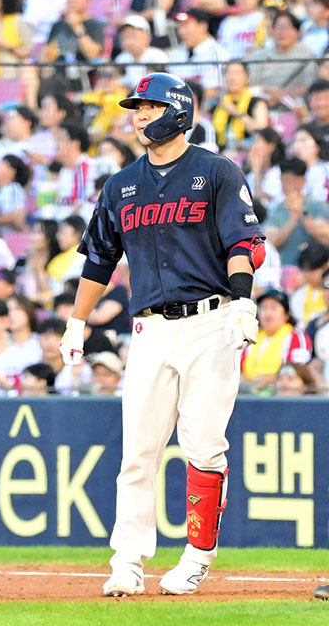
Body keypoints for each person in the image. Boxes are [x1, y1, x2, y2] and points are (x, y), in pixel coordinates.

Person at [63, 72, 265, 597]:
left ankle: (198, 555)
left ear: (177, 110)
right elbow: (99, 259)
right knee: (138, 450)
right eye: (136, 108)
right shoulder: (121, 185)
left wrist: (244, 300)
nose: (139, 116)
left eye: (149, 106)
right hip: (149, 328)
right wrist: (77, 320)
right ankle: (127, 560)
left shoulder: (216, 171)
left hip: (211, 320)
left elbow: (243, 243)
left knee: (204, 445)